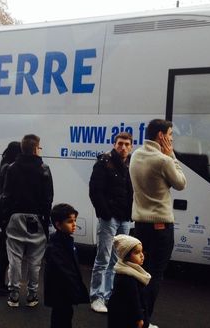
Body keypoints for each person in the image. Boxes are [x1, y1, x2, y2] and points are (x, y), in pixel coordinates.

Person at [129, 119, 187, 328]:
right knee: (154, 276)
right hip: (160, 226)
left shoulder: (135, 154)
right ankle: (145, 320)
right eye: (170, 134)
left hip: (140, 225)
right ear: (161, 136)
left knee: (140, 271)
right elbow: (181, 183)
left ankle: (135, 317)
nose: (172, 139)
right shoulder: (163, 160)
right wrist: (171, 154)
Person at [3, 134, 53, 308]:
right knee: (34, 260)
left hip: (15, 217)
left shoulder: (12, 168)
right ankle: (32, 295)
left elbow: (6, 196)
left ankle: (14, 294)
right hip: (36, 219)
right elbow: (48, 199)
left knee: (15, 258)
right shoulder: (44, 169)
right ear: (35, 149)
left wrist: (6, 217)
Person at [89, 131, 134, 313]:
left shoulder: (131, 164)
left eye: (126, 144)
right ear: (114, 144)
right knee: (103, 259)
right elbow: (95, 191)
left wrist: (130, 214)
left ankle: (108, 295)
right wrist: (105, 213)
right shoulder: (103, 162)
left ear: (131, 146)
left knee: (117, 261)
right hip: (110, 219)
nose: (123, 147)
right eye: (120, 143)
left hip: (125, 218)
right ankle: (96, 297)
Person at [44, 203, 90, 328]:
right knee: (60, 319)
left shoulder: (67, 241)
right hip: (60, 293)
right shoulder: (55, 247)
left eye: (75, 220)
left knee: (66, 316)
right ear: (58, 225)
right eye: (70, 221)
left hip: (65, 293)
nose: (74, 224)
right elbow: (64, 272)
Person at [0, 141, 22, 294]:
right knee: (6, 250)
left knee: (6, 249)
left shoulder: (5, 165)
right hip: (6, 212)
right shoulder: (10, 168)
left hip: (2, 211)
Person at [107, 234, 151, 328]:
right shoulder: (127, 277)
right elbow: (134, 300)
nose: (142, 255)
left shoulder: (132, 271)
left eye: (141, 251)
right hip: (126, 317)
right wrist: (139, 318)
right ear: (126, 256)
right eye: (137, 252)